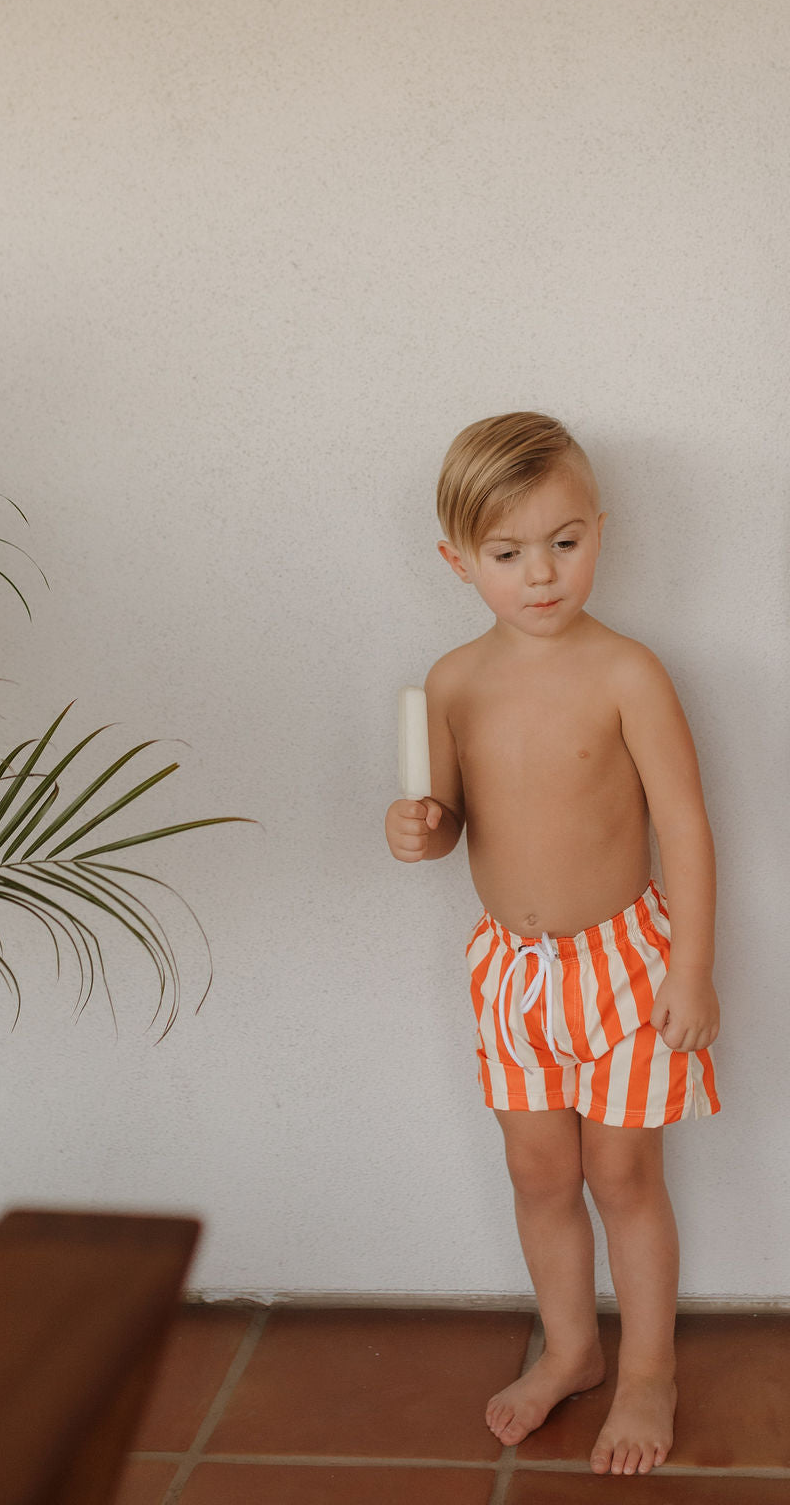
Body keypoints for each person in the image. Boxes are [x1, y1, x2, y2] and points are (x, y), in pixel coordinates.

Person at [385, 412, 719, 1478]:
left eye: (562, 544)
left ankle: (648, 1369)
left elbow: (686, 826)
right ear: (457, 561)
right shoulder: (450, 683)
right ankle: (572, 1348)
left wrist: (692, 968)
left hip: (623, 965)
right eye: (506, 553)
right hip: (509, 975)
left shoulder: (626, 671)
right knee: (538, 1172)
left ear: (599, 535)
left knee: (623, 1173)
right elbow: (438, 825)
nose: (540, 575)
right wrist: (414, 830)